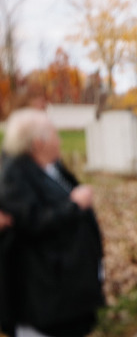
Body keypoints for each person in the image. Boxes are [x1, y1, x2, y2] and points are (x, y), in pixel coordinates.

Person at [0, 109, 104, 336]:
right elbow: (32, 221)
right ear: (38, 142)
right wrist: (74, 205)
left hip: (68, 289)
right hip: (46, 296)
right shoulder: (14, 175)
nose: (60, 140)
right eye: (55, 134)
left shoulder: (52, 167)